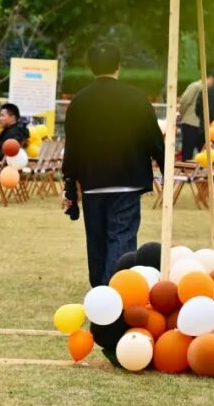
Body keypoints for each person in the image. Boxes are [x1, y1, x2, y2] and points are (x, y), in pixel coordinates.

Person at [61, 43, 166, 288]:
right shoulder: (136, 98)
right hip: (128, 179)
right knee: (122, 238)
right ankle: (115, 292)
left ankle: (100, 290)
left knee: (96, 241)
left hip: (92, 182)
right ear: (119, 65)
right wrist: (165, 167)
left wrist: (70, 183)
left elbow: (72, 146)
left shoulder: (79, 102)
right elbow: (152, 139)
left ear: (90, 67)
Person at [176, 78, 204, 161]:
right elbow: (185, 101)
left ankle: (185, 167)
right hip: (196, 123)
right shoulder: (197, 86)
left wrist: (181, 114)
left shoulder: (195, 86)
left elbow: (184, 101)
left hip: (190, 122)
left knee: (187, 152)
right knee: (201, 152)